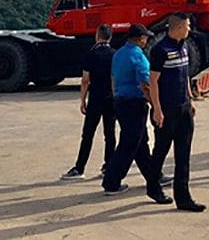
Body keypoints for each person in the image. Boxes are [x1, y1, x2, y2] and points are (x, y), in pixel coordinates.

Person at [101, 24, 171, 203]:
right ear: (140, 38)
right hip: (134, 102)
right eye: (146, 37)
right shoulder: (138, 56)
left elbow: (113, 78)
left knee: (140, 143)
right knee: (130, 143)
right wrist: (155, 105)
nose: (146, 40)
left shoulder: (119, 54)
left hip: (120, 100)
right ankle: (111, 181)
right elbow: (145, 84)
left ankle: (153, 176)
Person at [148, 13, 206, 212]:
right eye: (188, 26)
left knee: (184, 153)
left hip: (183, 108)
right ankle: (153, 185)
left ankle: (183, 197)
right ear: (179, 27)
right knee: (161, 150)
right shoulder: (160, 50)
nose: (190, 29)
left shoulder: (184, 47)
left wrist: (190, 99)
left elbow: (185, 75)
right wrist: (157, 109)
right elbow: (153, 82)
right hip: (166, 108)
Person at [60, 24, 116, 180]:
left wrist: (82, 100)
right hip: (110, 98)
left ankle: (80, 168)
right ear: (110, 37)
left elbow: (85, 80)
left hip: (95, 99)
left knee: (88, 134)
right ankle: (108, 165)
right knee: (109, 134)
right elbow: (114, 79)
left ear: (97, 36)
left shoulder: (90, 55)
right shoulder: (114, 54)